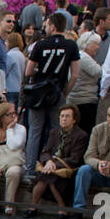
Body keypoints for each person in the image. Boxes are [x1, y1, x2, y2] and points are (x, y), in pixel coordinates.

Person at [23, 12, 81, 182]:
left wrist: (38, 72)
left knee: (34, 132)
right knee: (57, 131)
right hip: (57, 92)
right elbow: (75, 74)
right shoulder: (71, 46)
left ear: (53, 26)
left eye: (47, 24)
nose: (46, 27)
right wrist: (66, 91)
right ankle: (55, 166)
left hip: (39, 93)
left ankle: (30, 171)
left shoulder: (40, 45)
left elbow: (28, 71)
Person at [26, 104, 87, 219]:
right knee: (48, 175)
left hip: (68, 169)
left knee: (50, 176)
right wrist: (49, 161)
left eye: (67, 116)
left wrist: (54, 164)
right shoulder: (53, 132)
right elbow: (45, 152)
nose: (64, 119)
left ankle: (34, 207)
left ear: (74, 120)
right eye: (62, 116)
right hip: (51, 168)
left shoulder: (81, 136)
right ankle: (59, 209)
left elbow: (75, 158)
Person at [70, 31, 104, 137]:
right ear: (87, 44)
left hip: (79, 97)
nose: (98, 47)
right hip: (84, 99)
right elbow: (99, 72)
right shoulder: (84, 58)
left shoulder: (80, 56)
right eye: (96, 44)